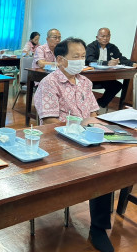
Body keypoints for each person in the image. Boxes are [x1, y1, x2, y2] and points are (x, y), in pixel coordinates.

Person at [34, 37, 114, 252]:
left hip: (86, 139)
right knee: (97, 167)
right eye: (75, 57)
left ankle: (98, 228)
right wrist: (81, 126)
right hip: (59, 143)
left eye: (82, 57)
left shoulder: (85, 82)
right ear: (60, 60)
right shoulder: (48, 83)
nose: (80, 61)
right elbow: (50, 124)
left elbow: (94, 114)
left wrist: (96, 129)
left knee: (108, 166)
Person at [85, 27, 137, 109]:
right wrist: (107, 63)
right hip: (91, 77)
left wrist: (132, 64)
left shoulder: (112, 47)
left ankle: (100, 104)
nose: (105, 38)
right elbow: (90, 60)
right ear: (97, 37)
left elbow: (120, 58)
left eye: (108, 36)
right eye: (102, 36)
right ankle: (88, 106)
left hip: (105, 76)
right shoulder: (91, 47)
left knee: (117, 85)